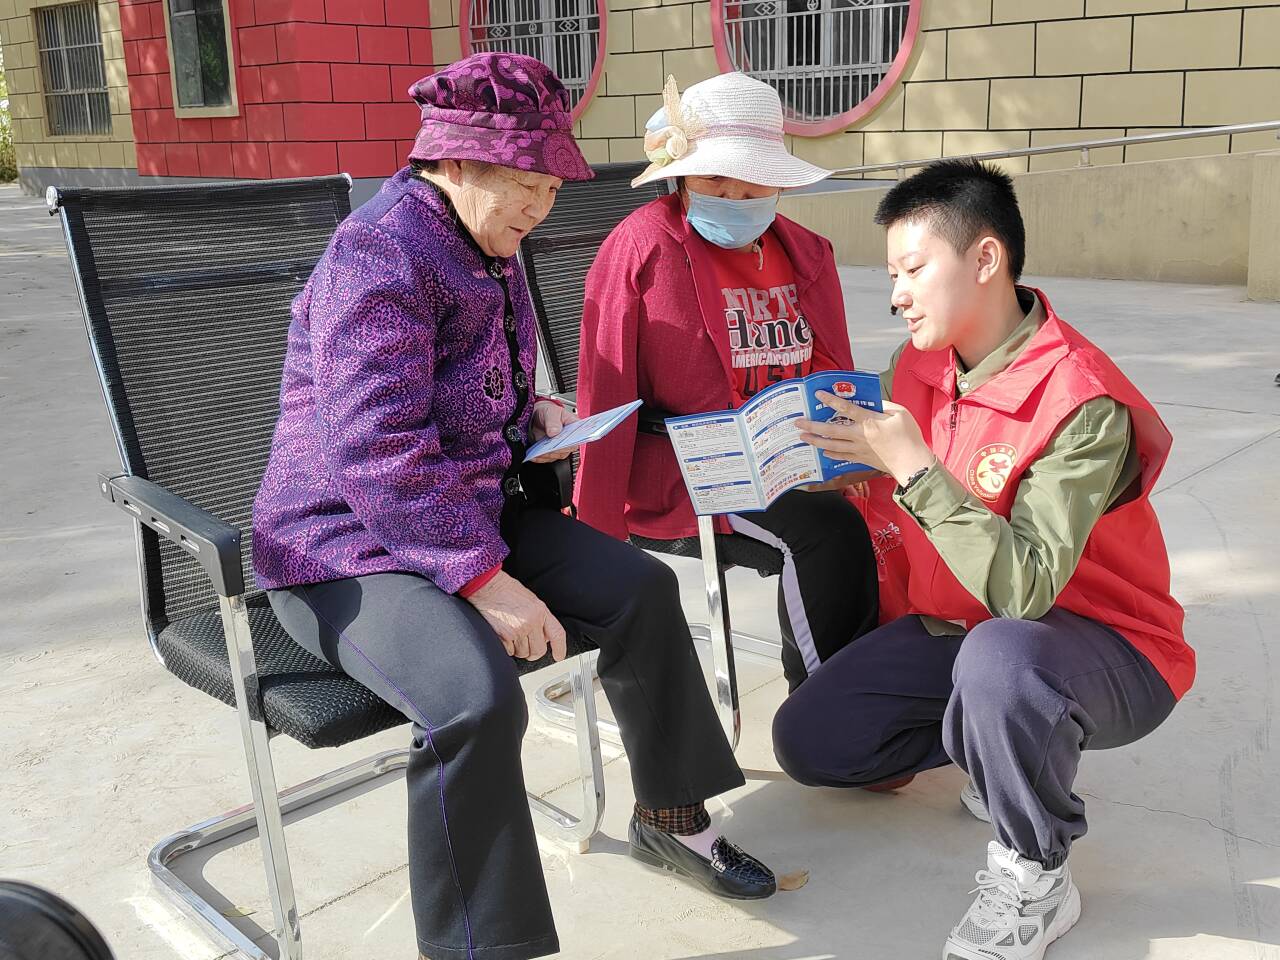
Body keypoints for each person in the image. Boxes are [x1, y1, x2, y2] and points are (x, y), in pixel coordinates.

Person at [252, 53, 775, 960]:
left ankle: (672, 819)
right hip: (342, 548)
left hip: (466, 510)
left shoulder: (481, 238)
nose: (539, 206)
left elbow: (461, 385)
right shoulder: (377, 255)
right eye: (523, 184)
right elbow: (377, 449)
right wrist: (486, 581)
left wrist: (531, 412)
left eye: (550, 187)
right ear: (454, 162)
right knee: (474, 701)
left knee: (642, 592)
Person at [774, 159, 1195, 960]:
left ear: (985, 259)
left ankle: (1038, 873)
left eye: (912, 270)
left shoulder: (1081, 401)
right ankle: (1000, 745)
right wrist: (813, 460)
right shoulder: (921, 365)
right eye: (891, 274)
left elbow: (1026, 590)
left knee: (1002, 660)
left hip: (1106, 645)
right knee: (811, 741)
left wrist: (914, 469)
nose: (896, 294)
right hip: (963, 630)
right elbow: (882, 464)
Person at [574, 73, 880, 697]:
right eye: (716, 179)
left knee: (896, 501)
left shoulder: (806, 252)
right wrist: (595, 542)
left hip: (795, 451)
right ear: (683, 177)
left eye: (753, 180)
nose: (736, 195)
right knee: (829, 530)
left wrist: (849, 454)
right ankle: (831, 709)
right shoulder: (641, 249)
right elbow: (604, 393)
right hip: (695, 462)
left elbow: (835, 372)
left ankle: (889, 685)